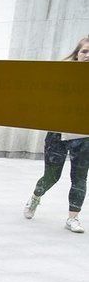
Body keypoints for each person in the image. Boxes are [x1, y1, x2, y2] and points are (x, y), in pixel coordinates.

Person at [23, 36, 89, 233]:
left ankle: (73, 218)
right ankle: (35, 197)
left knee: (79, 177)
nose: (88, 56)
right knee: (52, 176)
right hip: (57, 134)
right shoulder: (61, 75)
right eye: (85, 51)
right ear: (77, 54)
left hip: (84, 136)